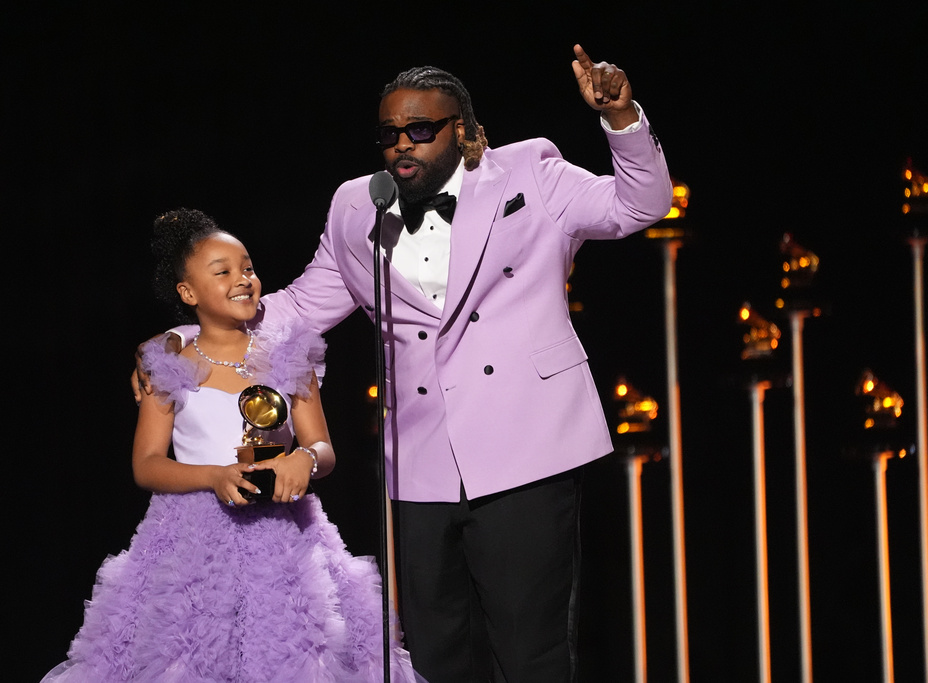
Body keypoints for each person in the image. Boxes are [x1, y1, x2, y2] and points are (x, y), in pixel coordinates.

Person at [137, 45, 671, 682]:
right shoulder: (357, 206)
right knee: (433, 657)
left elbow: (639, 206)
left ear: (462, 130)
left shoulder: (531, 172)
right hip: (420, 461)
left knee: (529, 653)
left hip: (525, 447)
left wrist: (622, 120)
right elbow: (300, 306)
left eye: (420, 129)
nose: (401, 145)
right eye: (389, 134)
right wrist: (180, 340)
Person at [48, 209, 421, 682]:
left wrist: (304, 459)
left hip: (283, 539)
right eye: (222, 272)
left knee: (295, 657)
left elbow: (322, 448)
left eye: (247, 267)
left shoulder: (289, 355)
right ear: (188, 293)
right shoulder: (170, 366)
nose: (243, 279)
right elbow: (147, 464)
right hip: (190, 544)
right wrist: (214, 476)